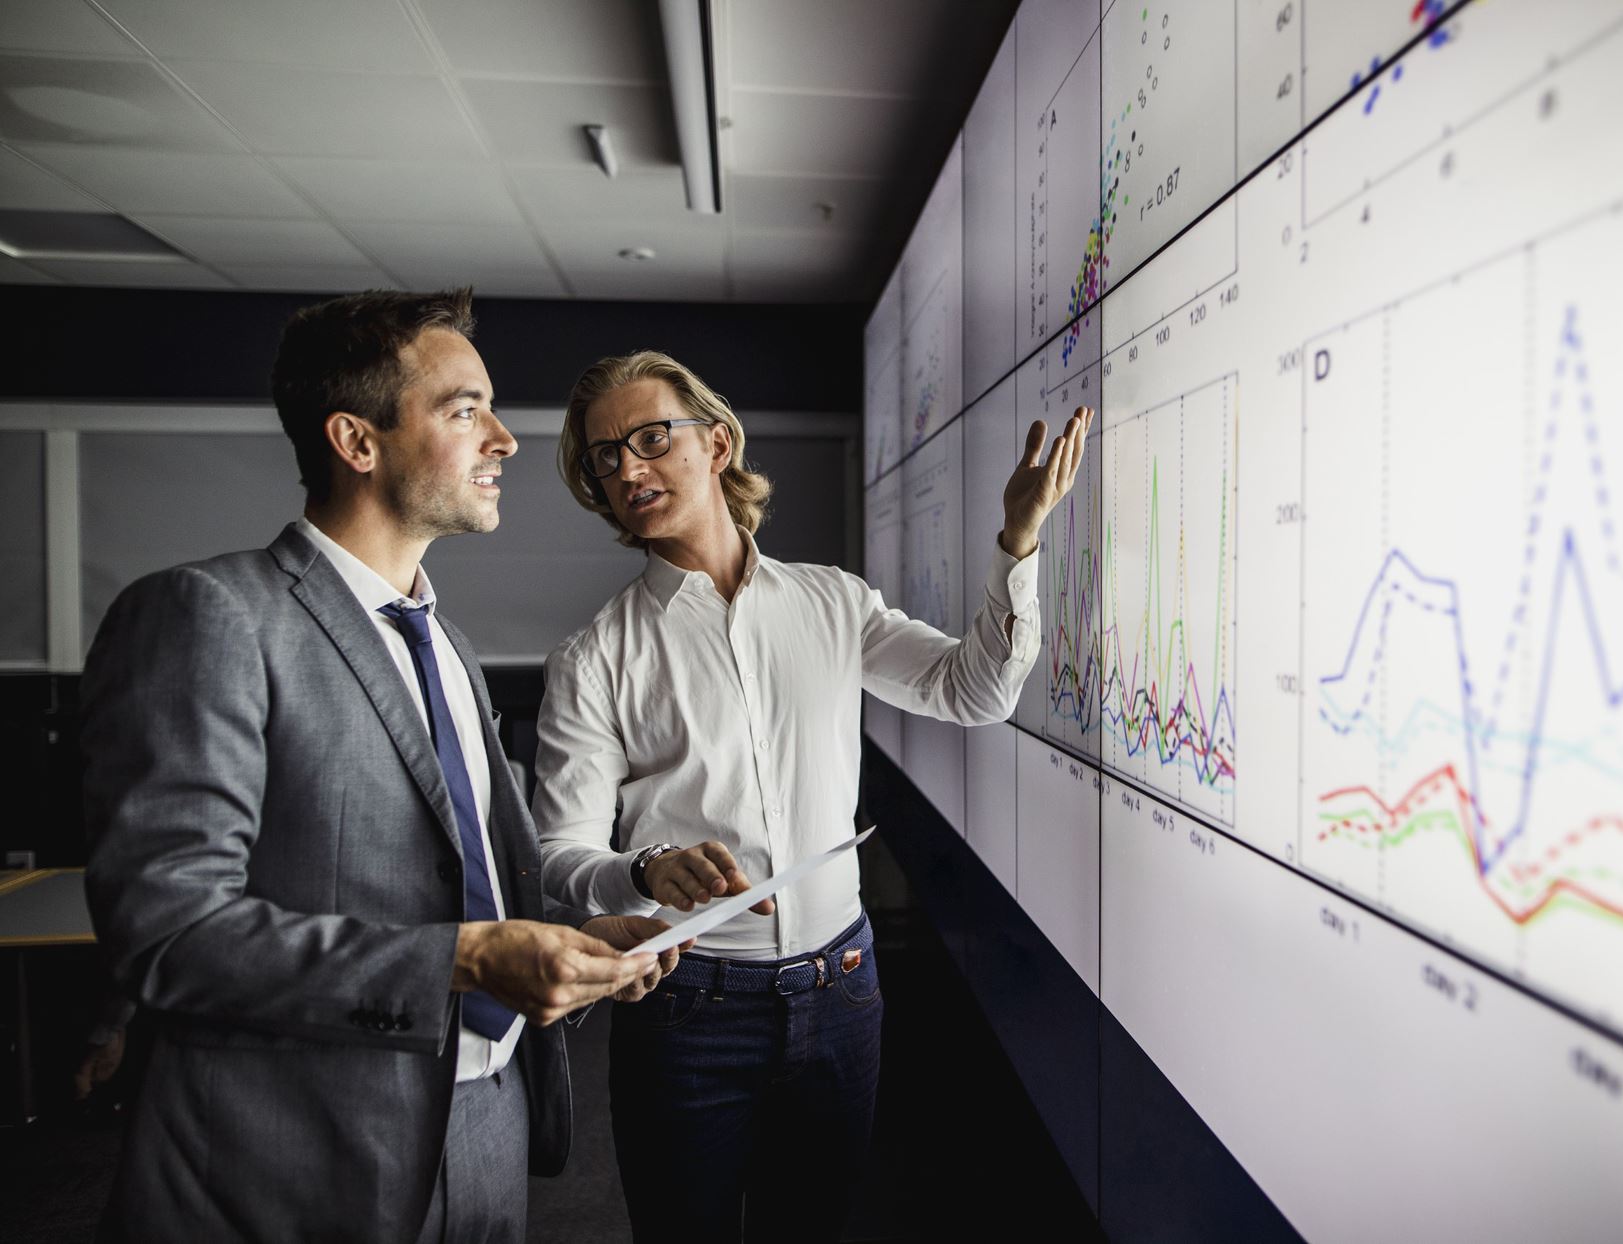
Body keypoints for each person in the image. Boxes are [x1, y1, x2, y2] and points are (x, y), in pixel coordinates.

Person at [81, 289, 682, 1243]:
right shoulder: (209, 615)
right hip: (295, 1151)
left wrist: (573, 930)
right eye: (463, 409)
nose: (505, 439)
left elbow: (448, 873)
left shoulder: (444, 643)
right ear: (357, 443)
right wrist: (465, 959)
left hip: (488, 1123)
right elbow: (169, 933)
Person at [531, 349, 1091, 1241]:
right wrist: (645, 868)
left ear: (716, 445)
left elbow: (974, 692)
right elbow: (559, 856)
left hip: (843, 993)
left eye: (648, 439)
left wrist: (1017, 540)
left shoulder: (832, 603)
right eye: (606, 457)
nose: (628, 468)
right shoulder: (594, 657)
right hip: (687, 1011)